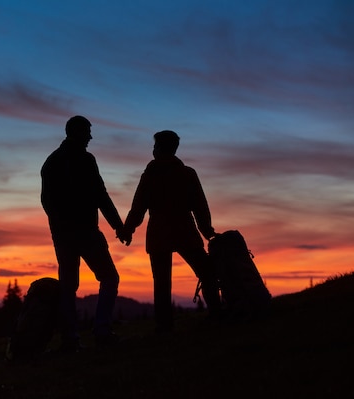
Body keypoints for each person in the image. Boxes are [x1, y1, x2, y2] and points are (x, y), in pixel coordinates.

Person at [41, 115, 130, 351]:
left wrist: (60, 228)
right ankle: (101, 331)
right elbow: (100, 195)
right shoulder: (85, 160)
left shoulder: (51, 161)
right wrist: (118, 226)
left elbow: (47, 202)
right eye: (87, 132)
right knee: (109, 277)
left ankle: (70, 339)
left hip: (63, 235)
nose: (91, 137)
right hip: (85, 232)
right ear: (76, 132)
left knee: (69, 285)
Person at [122, 130, 221, 333]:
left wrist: (128, 229)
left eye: (155, 146)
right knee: (207, 272)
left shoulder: (150, 175)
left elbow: (138, 207)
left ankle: (164, 326)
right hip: (185, 230)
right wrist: (206, 230)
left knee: (162, 282)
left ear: (159, 148)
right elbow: (200, 206)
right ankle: (217, 313)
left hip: (159, 234)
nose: (153, 150)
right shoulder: (187, 174)